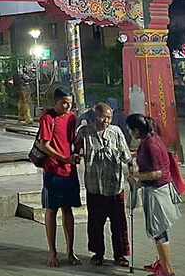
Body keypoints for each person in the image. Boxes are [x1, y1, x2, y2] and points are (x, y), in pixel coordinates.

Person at [74, 103, 132, 267]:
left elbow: (126, 156)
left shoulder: (116, 132)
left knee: (119, 224)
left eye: (109, 117)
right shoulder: (85, 132)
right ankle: (97, 253)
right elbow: (76, 149)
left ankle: (119, 255)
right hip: (94, 186)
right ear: (94, 115)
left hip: (114, 186)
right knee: (95, 223)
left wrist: (133, 169)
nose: (106, 121)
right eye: (103, 117)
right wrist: (75, 154)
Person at [126, 113, 180, 276]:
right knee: (159, 231)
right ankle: (162, 263)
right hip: (157, 190)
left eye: (130, 130)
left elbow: (156, 173)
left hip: (158, 192)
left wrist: (136, 177)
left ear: (136, 130)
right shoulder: (151, 139)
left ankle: (167, 271)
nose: (129, 133)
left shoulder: (151, 145)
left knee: (159, 232)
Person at [37, 88, 81, 267]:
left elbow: (71, 142)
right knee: (51, 210)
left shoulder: (71, 118)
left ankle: (70, 251)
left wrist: (77, 150)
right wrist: (63, 158)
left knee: (68, 210)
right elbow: (44, 145)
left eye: (69, 103)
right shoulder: (47, 118)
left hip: (69, 170)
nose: (67, 106)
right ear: (55, 102)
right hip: (53, 171)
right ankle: (52, 252)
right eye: (64, 103)